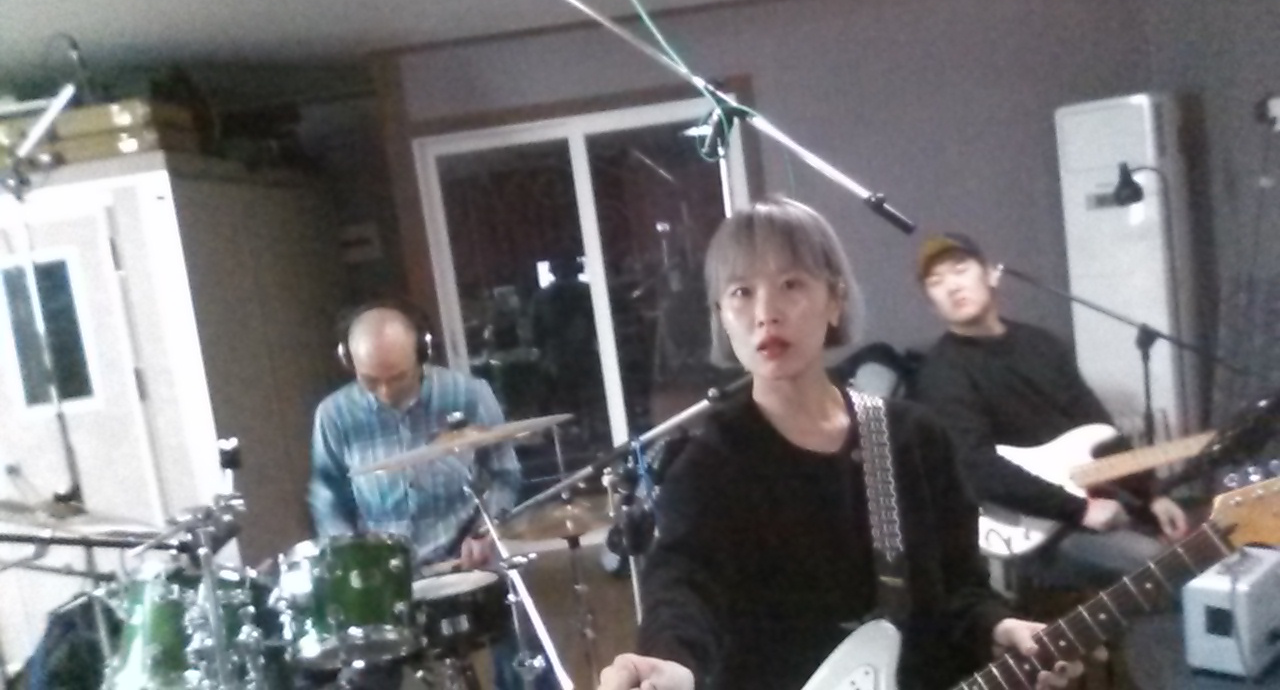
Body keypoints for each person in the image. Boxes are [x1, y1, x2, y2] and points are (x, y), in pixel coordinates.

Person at [598, 198, 1082, 690]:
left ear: (834, 299)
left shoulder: (916, 440)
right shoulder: (710, 464)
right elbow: (681, 587)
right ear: (721, 316)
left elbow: (962, 588)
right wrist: (672, 662)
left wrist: (998, 627)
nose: (766, 313)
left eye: (791, 284)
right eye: (742, 292)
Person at [911, 233, 1189, 589]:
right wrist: (1079, 510)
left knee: (1206, 550)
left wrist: (1152, 494)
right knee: (1171, 569)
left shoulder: (1041, 344)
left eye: (960, 269)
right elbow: (975, 466)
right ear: (932, 305)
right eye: (936, 282)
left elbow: (1098, 427)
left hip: (1093, 503)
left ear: (991, 274)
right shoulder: (942, 373)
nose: (951, 286)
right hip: (1035, 532)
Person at [308, 300, 545, 690]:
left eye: (398, 378)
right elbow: (326, 495)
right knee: (363, 672)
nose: (385, 392)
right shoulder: (333, 416)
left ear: (423, 351)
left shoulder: (468, 395)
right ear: (347, 360)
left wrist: (486, 530)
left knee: (523, 639)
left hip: (465, 552)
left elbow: (505, 474)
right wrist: (351, 557)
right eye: (370, 380)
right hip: (385, 570)